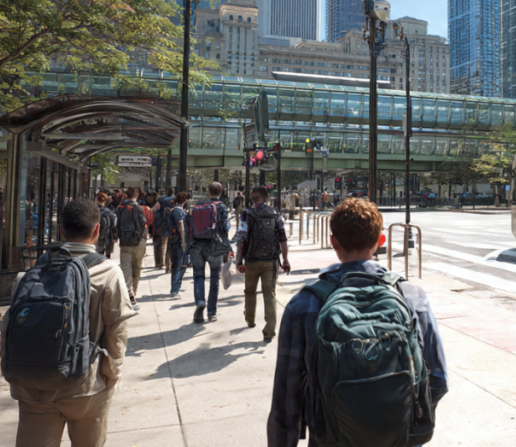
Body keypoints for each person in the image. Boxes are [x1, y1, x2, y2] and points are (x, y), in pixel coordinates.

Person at [268, 199, 447, 446]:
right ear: (380, 241)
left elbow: (287, 394)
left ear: (333, 242)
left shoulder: (304, 304)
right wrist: (402, 422)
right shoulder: (411, 296)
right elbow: (437, 378)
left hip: (330, 438)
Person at [0, 198, 134, 447]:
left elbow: (9, 325)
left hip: (33, 385)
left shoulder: (35, 270)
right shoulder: (108, 271)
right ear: (97, 229)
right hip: (85, 385)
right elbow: (117, 328)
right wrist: (110, 375)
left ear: (62, 230)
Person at [233, 186, 288, 342]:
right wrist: (285, 260)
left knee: (249, 291)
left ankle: (250, 319)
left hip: (251, 261)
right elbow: (283, 238)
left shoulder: (246, 213)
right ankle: (269, 330)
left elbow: (242, 238)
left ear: (254, 198)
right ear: (267, 197)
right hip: (270, 261)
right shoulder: (276, 214)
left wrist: (238, 260)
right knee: (269, 294)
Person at [187, 182, 231, 324]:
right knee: (214, 278)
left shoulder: (199, 205)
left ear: (208, 192)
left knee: (198, 275)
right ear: (221, 191)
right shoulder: (222, 206)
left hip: (197, 245)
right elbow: (225, 228)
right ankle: (211, 312)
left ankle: (200, 301)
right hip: (215, 247)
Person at [116, 188, 151, 310]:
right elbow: (143, 224)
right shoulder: (140, 208)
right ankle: (134, 290)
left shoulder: (120, 208)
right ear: (136, 196)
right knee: (137, 266)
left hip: (124, 241)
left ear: (126, 195)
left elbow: (116, 224)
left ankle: (128, 292)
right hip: (138, 242)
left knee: (125, 267)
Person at [167, 192, 190, 299]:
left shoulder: (176, 210)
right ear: (185, 201)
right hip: (179, 242)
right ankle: (174, 290)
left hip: (176, 241)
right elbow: (180, 225)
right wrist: (183, 241)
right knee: (178, 265)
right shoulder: (178, 211)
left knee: (183, 264)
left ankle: (177, 287)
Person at [95, 193, 117, 260]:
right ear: (106, 200)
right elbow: (114, 225)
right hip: (107, 237)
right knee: (107, 257)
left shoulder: (92, 210)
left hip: (95, 237)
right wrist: (115, 237)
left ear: (97, 199)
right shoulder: (109, 212)